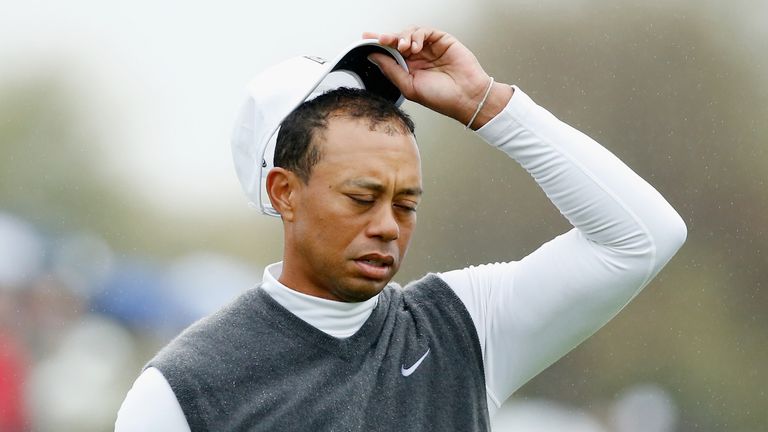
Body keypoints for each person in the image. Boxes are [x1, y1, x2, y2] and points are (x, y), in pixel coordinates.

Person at [115, 26, 687, 431]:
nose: (388, 227)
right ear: (283, 193)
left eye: (406, 204)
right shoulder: (181, 391)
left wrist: (486, 105)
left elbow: (643, 237)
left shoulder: (463, 327)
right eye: (362, 198)